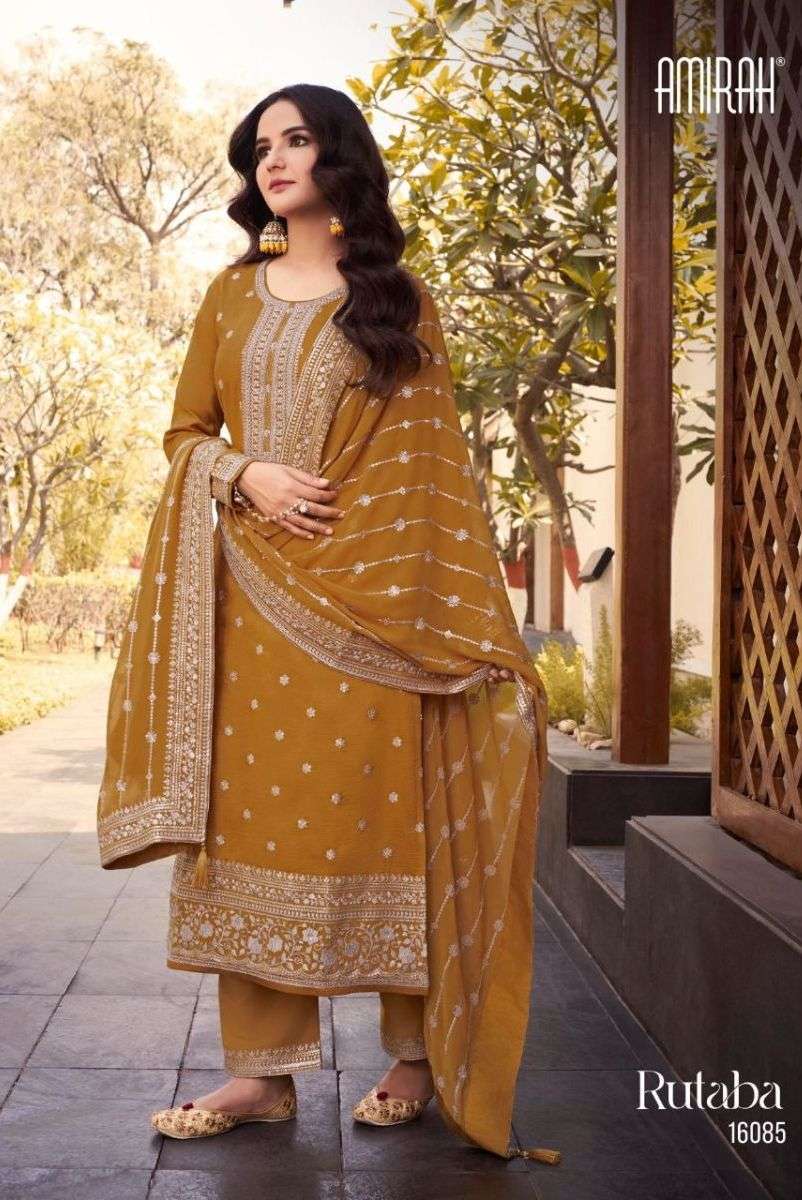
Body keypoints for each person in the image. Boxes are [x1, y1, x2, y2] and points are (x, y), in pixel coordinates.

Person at [96, 83, 559, 1166]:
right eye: (261, 146)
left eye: (296, 140)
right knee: (248, 831)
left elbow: (430, 476)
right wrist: (243, 472)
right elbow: (185, 435)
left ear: (337, 157)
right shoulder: (230, 295)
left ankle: (415, 1059)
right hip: (248, 614)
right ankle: (260, 1075)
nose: (273, 160)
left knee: (385, 825)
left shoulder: (396, 300)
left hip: (374, 611)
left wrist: (447, 621)